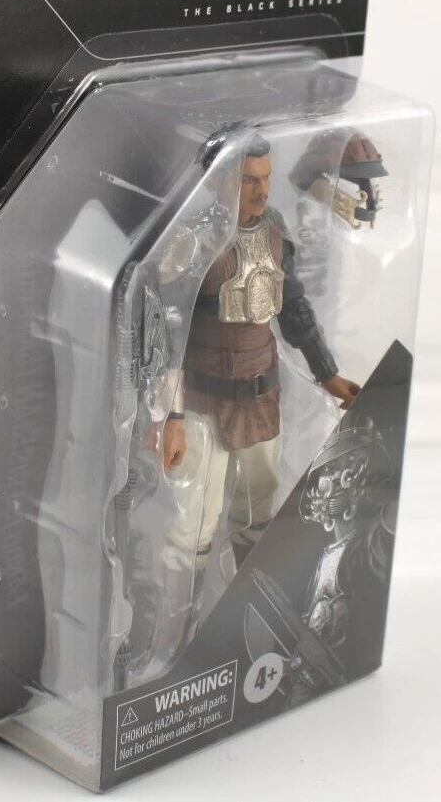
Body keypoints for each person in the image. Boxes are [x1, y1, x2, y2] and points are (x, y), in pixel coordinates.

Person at [153, 135, 359, 660]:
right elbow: (168, 332)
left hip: (262, 401)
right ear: (223, 181)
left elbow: (294, 309)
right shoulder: (196, 241)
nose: (261, 190)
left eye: (265, 179)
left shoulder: (275, 232)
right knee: (193, 528)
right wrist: (170, 417)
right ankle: (173, 646)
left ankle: (248, 627)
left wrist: (328, 375)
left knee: (258, 518)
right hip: (202, 406)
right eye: (248, 179)